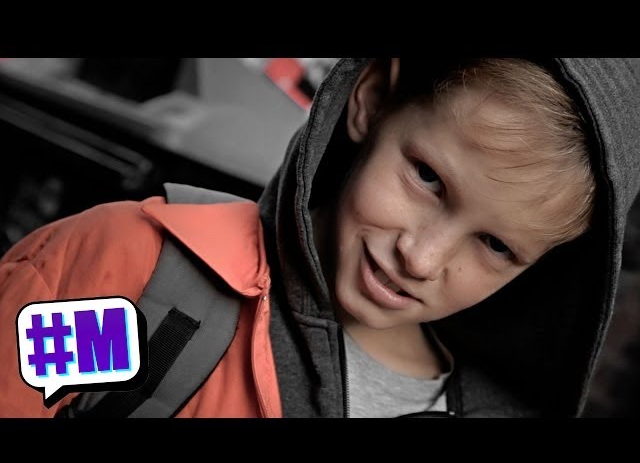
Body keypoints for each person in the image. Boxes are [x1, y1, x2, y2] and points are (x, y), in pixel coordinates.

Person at [1, 57, 639, 417]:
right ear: (371, 100)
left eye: (496, 246)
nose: (421, 257)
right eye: (427, 178)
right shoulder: (139, 285)